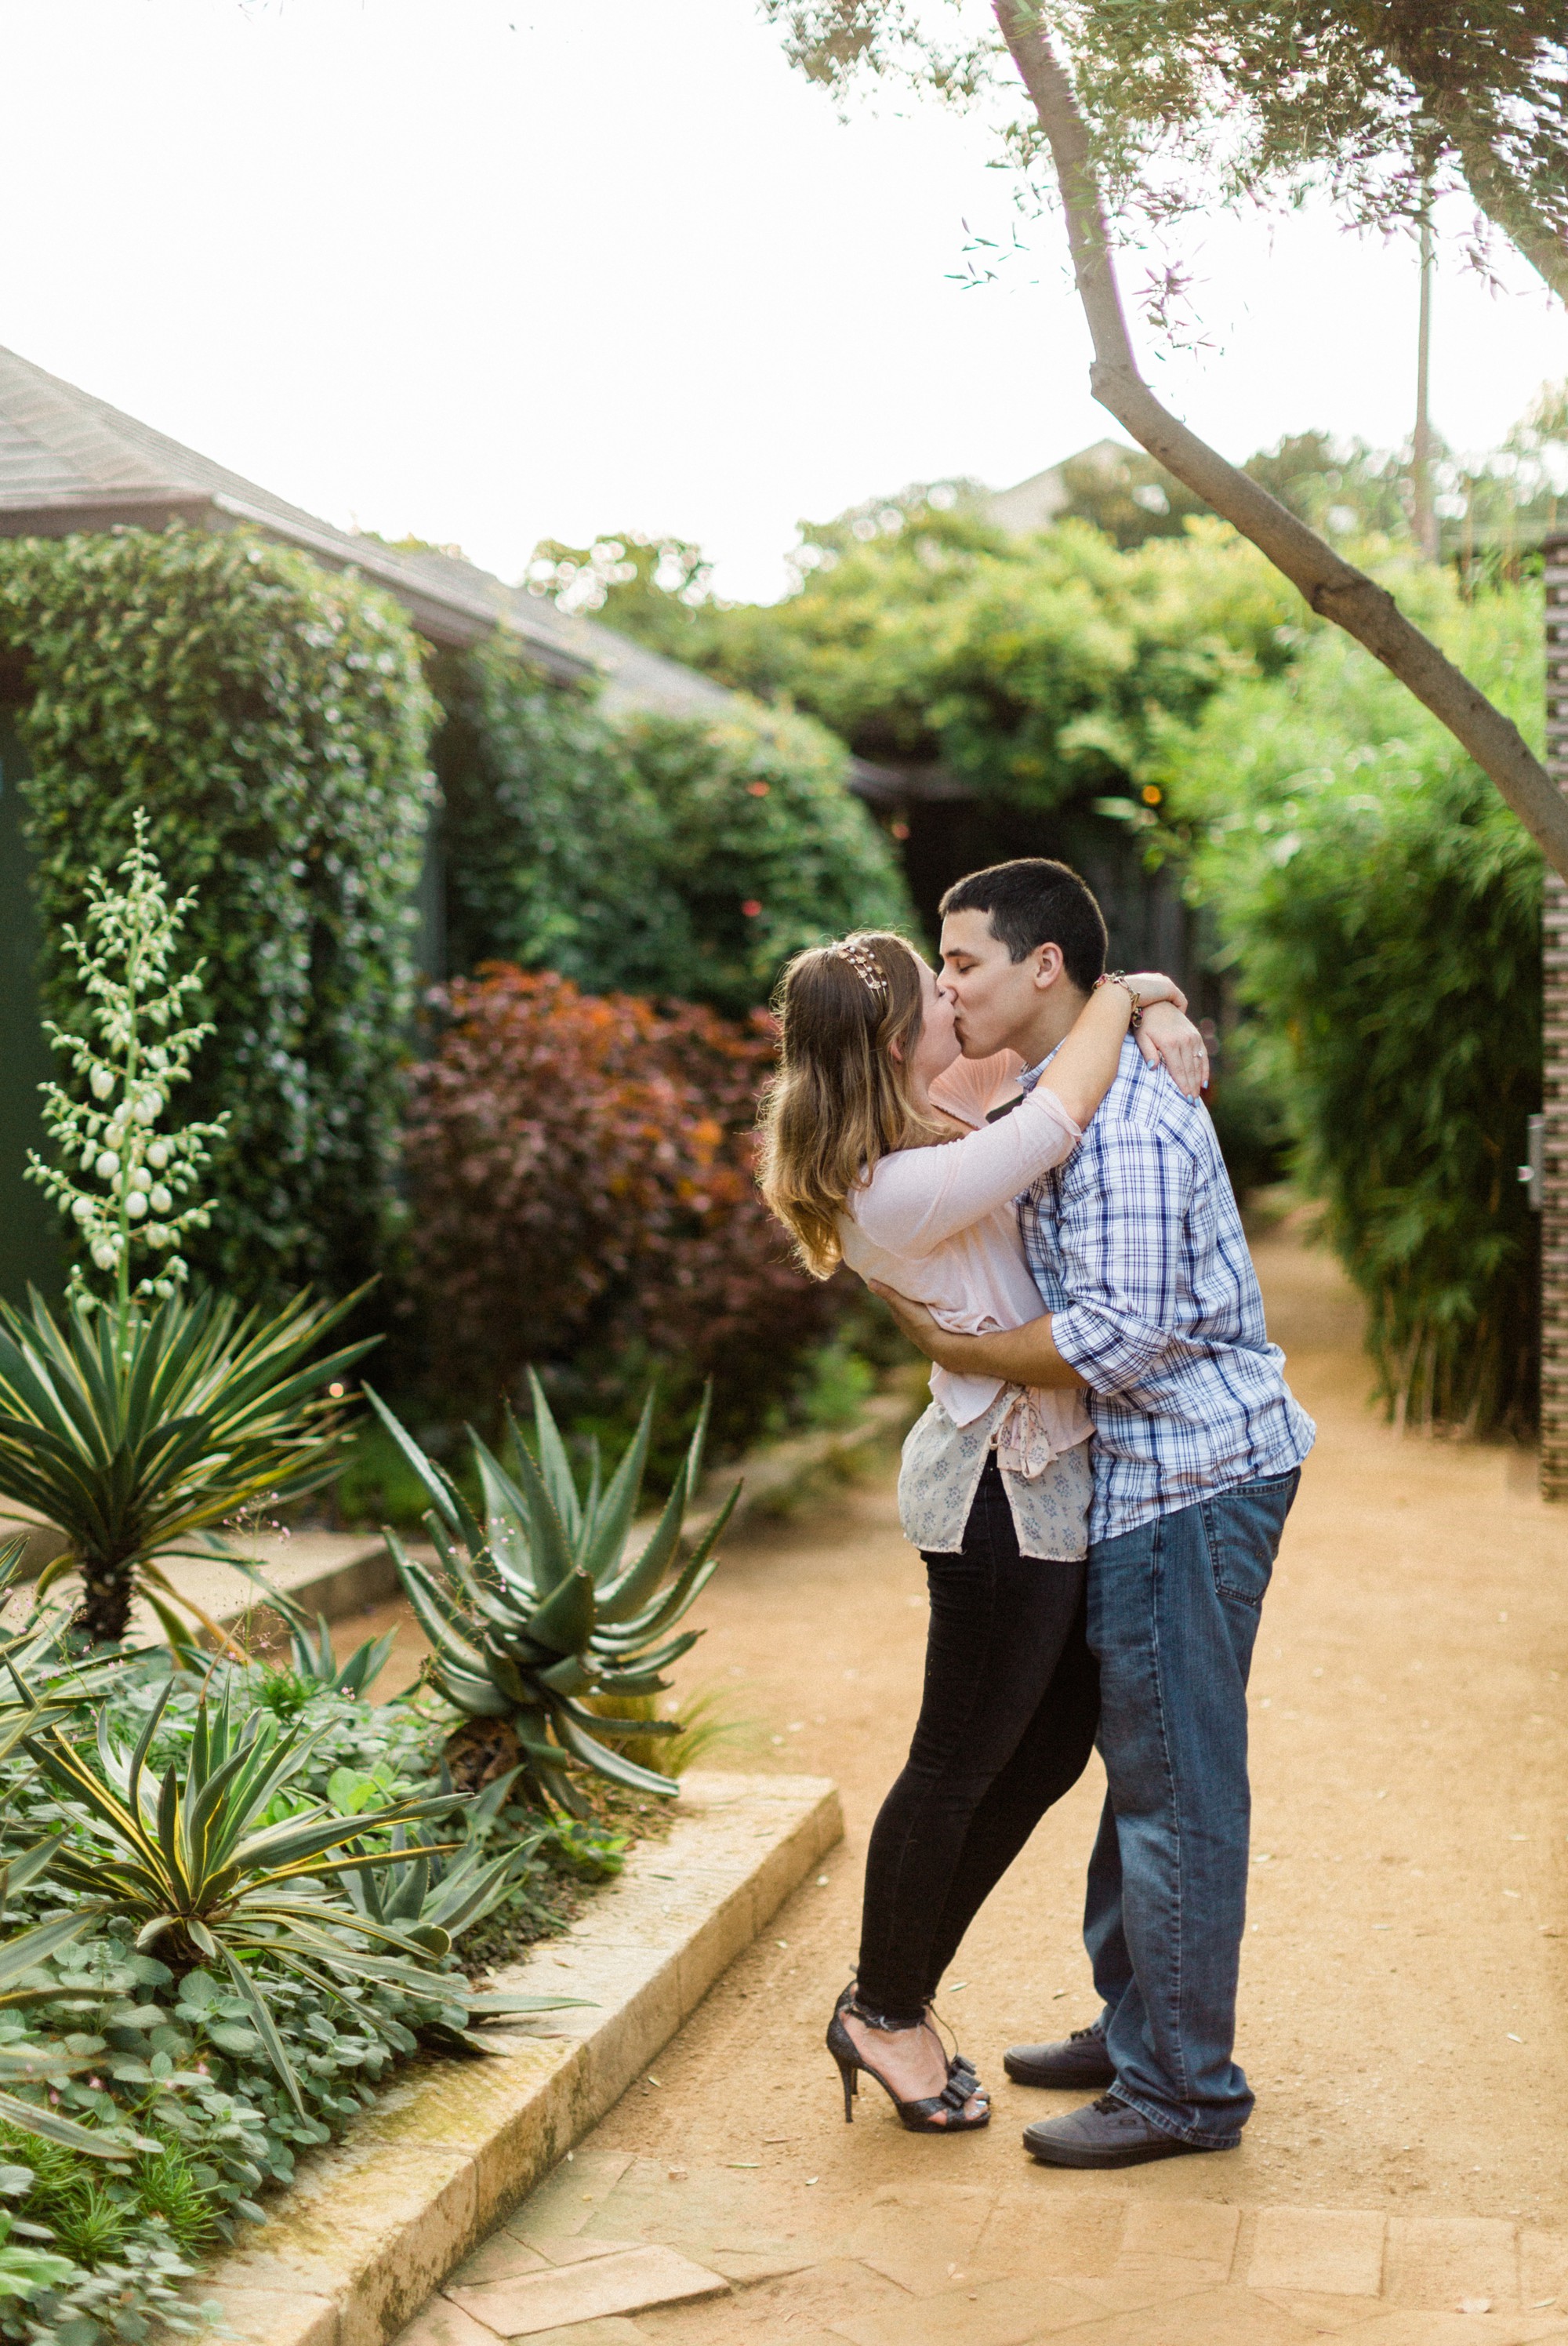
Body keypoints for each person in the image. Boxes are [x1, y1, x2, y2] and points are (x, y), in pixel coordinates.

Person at [871, 859, 1316, 2170]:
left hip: (1190, 1473)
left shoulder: (1118, 1118)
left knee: (1175, 1782)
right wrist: (1148, 993)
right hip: (1153, 1471)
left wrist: (953, 1344)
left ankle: (1182, 2090)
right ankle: (1144, 2027)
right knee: (1142, 1761)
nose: (948, 988)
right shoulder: (1066, 1083)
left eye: (963, 963)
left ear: (1042, 967)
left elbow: (1115, 1333)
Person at [757, 928, 1206, 2134]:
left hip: (1039, 1475)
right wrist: (1122, 994)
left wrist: (1148, 998)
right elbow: (1056, 1116)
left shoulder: (921, 1116)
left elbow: (1054, 1044)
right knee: (953, 1762)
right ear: (898, 1038)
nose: (958, 998)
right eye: (935, 989)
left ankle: (893, 1994)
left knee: (1051, 1746)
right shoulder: (887, 1185)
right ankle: (886, 2008)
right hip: (992, 1495)